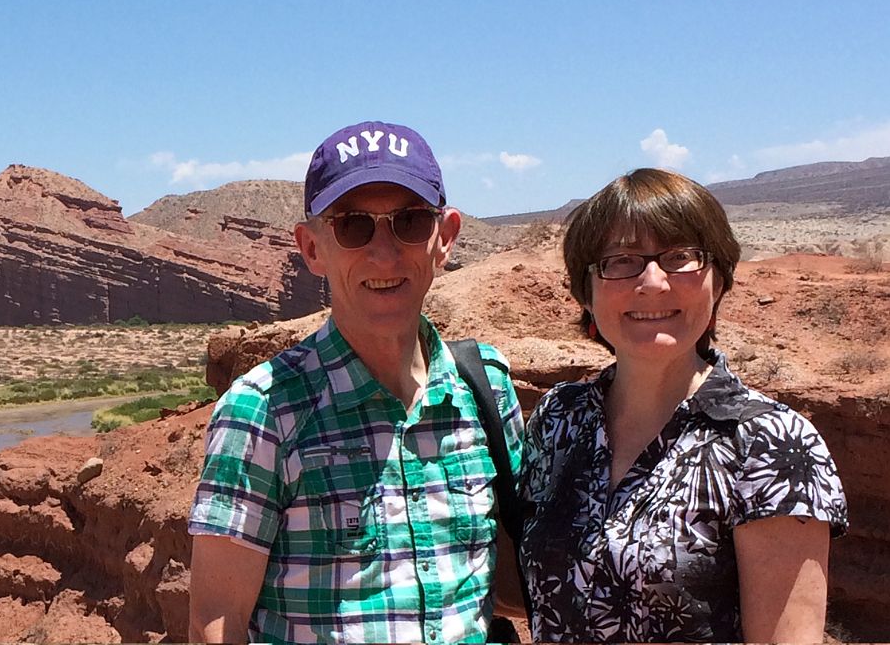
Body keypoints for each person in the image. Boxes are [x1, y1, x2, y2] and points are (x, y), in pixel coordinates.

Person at [187, 121, 525, 644]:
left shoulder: (485, 388)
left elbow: (507, 579)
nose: (384, 252)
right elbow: (217, 619)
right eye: (353, 226)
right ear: (312, 247)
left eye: (410, 221)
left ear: (446, 238)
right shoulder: (262, 411)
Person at [519, 168, 849, 643]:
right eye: (620, 260)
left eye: (680, 257)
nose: (653, 282)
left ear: (720, 279)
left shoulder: (771, 446)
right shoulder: (558, 419)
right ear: (585, 291)